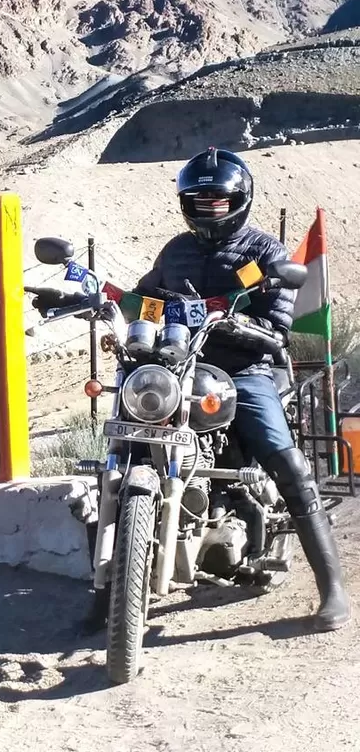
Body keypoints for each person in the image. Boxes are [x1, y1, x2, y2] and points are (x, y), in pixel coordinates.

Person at [132, 146, 349, 632]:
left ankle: (332, 589)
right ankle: (108, 590)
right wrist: (132, 319)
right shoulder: (176, 252)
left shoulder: (264, 253)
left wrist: (237, 325)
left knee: (287, 461)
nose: (209, 207)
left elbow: (277, 329)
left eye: (218, 200)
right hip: (183, 368)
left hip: (247, 372)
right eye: (199, 200)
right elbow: (150, 298)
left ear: (239, 200)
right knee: (128, 447)